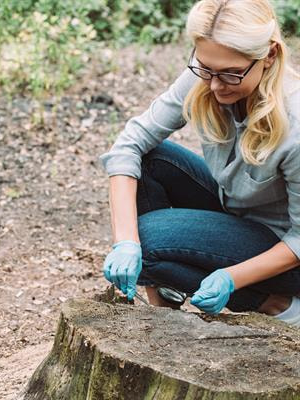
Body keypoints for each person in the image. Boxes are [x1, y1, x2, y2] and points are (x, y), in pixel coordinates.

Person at [100, 0, 300, 326]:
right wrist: (124, 241)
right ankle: (164, 307)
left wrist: (231, 278)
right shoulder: (206, 76)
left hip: (284, 252)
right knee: (152, 161)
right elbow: (128, 145)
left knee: (149, 243)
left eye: (231, 74)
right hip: (236, 211)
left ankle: (277, 303)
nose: (215, 85)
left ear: (270, 56)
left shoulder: (296, 124)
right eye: (205, 68)